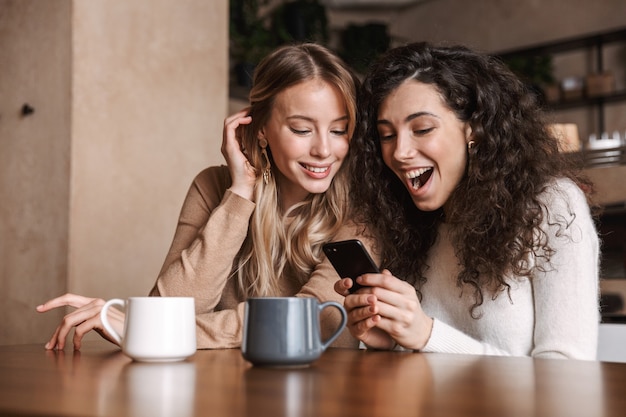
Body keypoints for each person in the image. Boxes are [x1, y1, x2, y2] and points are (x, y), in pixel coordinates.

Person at [37, 43, 367, 350]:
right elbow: (172, 308)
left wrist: (145, 330)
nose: (324, 149)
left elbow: (317, 319)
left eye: (339, 130)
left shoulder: (363, 205)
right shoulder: (213, 185)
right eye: (301, 129)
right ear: (262, 129)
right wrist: (240, 194)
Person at [335, 42, 600, 359]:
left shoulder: (551, 206)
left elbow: (565, 376)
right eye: (387, 135)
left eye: (422, 128)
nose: (400, 152)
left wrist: (426, 334)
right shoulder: (404, 219)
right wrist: (391, 341)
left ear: (474, 130)